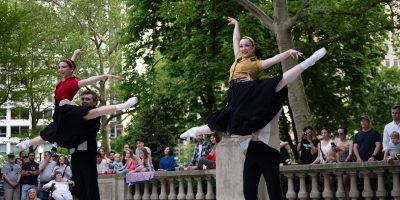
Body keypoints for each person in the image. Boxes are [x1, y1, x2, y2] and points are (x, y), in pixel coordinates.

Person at [180, 17, 326, 200]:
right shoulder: (237, 58)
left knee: (276, 82)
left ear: (252, 48)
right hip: (234, 97)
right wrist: (237, 25)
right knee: (223, 121)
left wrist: (288, 52)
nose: (243, 48)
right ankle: (194, 131)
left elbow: (273, 59)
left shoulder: (255, 63)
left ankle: (308, 63)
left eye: (247, 46)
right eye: (242, 46)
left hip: (247, 91)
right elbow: (235, 40)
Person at [16, 49, 121, 149]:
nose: (60, 69)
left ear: (71, 69)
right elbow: (70, 63)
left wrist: (105, 76)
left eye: (63, 67)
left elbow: (88, 80)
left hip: (66, 110)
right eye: (59, 67)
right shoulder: (62, 81)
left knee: (93, 112)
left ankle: (121, 106)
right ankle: (28, 143)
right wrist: (75, 54)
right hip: (58, 112)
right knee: (48, 133)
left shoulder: (73, 83)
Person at [58, 90, 136, 200]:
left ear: (94, 102)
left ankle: (122, 105)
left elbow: (96, 112)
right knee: (80, 188)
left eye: (88, 99)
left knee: (91, 187)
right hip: (75, 155)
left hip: (87, 155)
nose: (84, 101)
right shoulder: (77, 112)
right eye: (83, 99)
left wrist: (70, 104)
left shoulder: (93, 112)